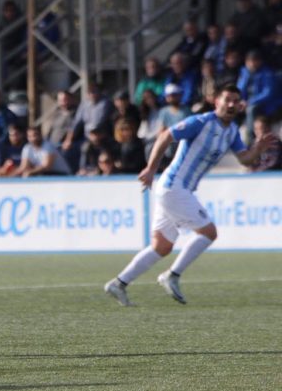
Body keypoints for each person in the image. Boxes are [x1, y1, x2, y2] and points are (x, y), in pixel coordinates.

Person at [104, 85, 275, 307]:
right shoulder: (201, 122)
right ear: (217, 102)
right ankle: (172, 275)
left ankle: (118, 283)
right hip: (174, 185)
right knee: (209, 232)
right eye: (227, 100)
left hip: (177, 189)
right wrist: (151, 168)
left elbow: (244, 159)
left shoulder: (232, 130)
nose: (231, 104)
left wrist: (257, 150)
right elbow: (166, 136)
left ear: (240, 105)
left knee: (162, 246)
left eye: (235, 101)